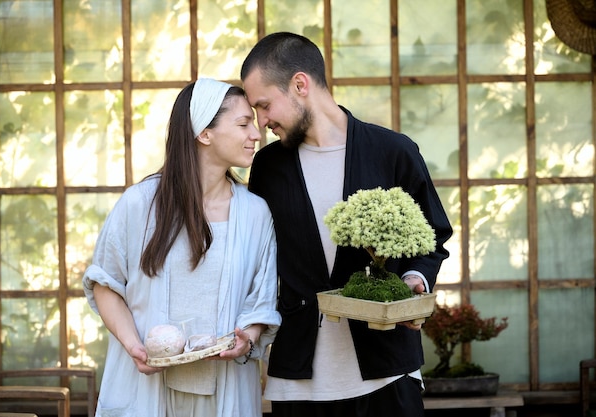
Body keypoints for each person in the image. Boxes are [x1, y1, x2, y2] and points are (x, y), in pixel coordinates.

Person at [241, 32, 453, 417]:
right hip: (297, 380)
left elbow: (432, 236)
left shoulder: (393, 151)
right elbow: (257, 256)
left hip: (387, 372)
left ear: (300, 85)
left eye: (264, 105)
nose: (261, 121)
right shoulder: (268, 167)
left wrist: (413, 282)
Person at [82, 78, 281, 417]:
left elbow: (261, 301)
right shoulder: (140, 204)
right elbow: (106, 283)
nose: (257, 134)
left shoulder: (255, 213)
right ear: (204, 133)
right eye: (243, 124)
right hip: (146, 389)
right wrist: (134, 346)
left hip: (225, 391)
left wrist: (246, 338)